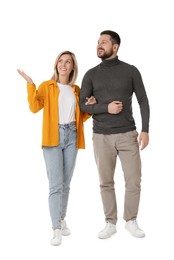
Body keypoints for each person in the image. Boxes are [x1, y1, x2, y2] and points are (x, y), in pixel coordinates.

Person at [17, 50, 95, 246]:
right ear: (56, 65)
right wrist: (30, 84)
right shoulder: (47, 86)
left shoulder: (77, 90)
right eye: (61, 61)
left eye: (67, 62)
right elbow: (35, 107)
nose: (63, 64)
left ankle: (61, 218)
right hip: (53, 137)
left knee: (66, 183)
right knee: (55, 185)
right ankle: (56, 228)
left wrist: (91, 107)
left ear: (72, 67)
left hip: (72, 136)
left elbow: (81, 117)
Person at [80, 30, 150, 239]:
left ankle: (131, 220)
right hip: (101, 136)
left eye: (103, 42)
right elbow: (83, 105)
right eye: (98, 42)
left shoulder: (131, 71)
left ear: (115, 47)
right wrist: (104, 108)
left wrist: (145, 130)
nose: (99, 45)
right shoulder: (90, 74)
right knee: (105, 181)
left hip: (128, 134)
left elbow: (143, 100)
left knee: (133, 180)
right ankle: (110, 222)